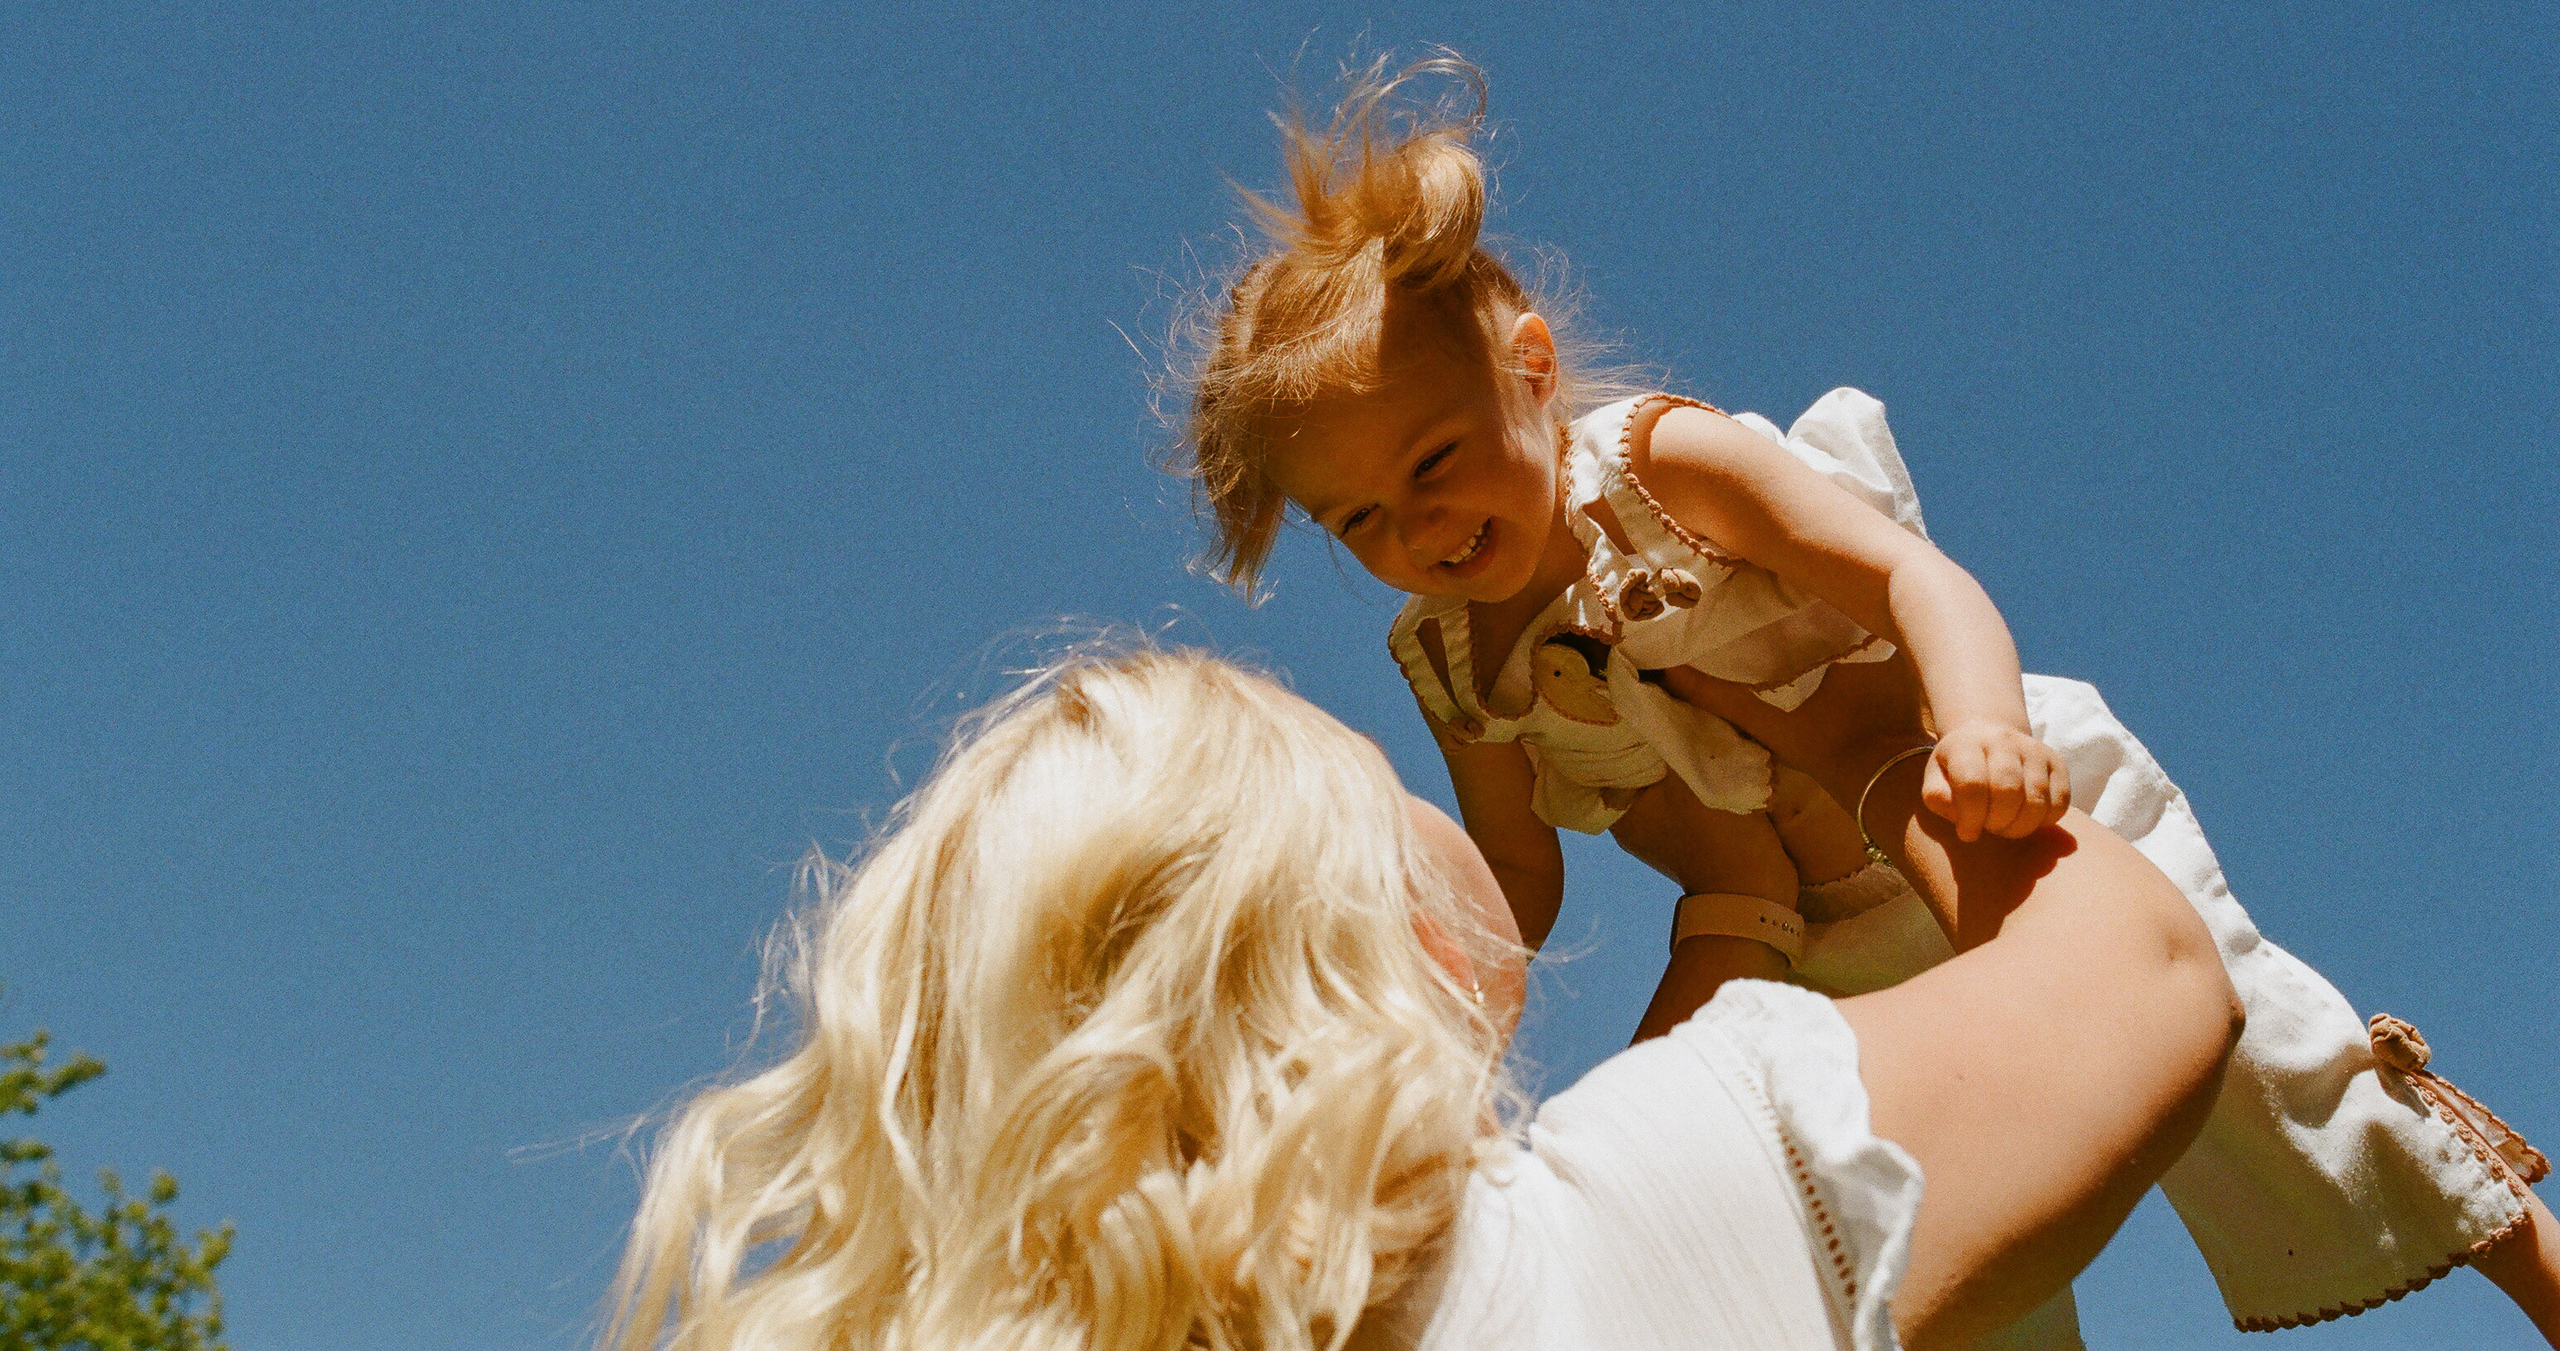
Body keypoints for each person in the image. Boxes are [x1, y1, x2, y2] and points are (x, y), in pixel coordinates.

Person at [1167, 53, 2557, 1342]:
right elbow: (1516, 885)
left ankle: (2533, 1264)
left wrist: (1985, 729)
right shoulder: (1458, 668)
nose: (1420, 525)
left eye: (1437, 458)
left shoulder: (1661, 468)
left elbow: (1909, 576)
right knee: (1927, 1236)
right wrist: (1415, 1022)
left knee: (2261, 1070)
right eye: (1358, 519)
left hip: (1966, 798)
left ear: (1530, 372)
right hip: (1809, 937)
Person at [605, 645, 2245, 1351]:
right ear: (1350, 937)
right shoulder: (1583, 1229)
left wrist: (1735, 894)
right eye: (1389, 779)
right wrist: (1853, 726)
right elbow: (2148, 978)